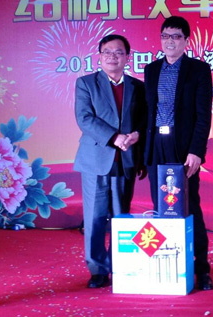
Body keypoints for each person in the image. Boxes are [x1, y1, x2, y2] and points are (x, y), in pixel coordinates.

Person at [144, 16, 213, 290]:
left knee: (188, 205)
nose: (169, 41)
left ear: (186, 40)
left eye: (175, 36)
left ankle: (202, 269)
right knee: (160, 205)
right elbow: (146, 112)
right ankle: (166, 264)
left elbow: (203, 115)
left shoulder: (198, 70)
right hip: (157, 144)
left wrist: (196, 151)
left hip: (183, 147)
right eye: (165, 36)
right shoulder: (151, 70)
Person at [74, 34, 146, 288]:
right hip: (96, 160)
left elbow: (143, 119)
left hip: (125, 160)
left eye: (118, 52)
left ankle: (120, 266)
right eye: (107, 52)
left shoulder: (137, 87)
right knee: (94, 218)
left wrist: (137, 135)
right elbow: (84, 118)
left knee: (121, 217)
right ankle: (97, 270)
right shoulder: (86, 83)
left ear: (127, 57)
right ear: (99, 56)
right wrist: (115, 137)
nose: (112, 57)